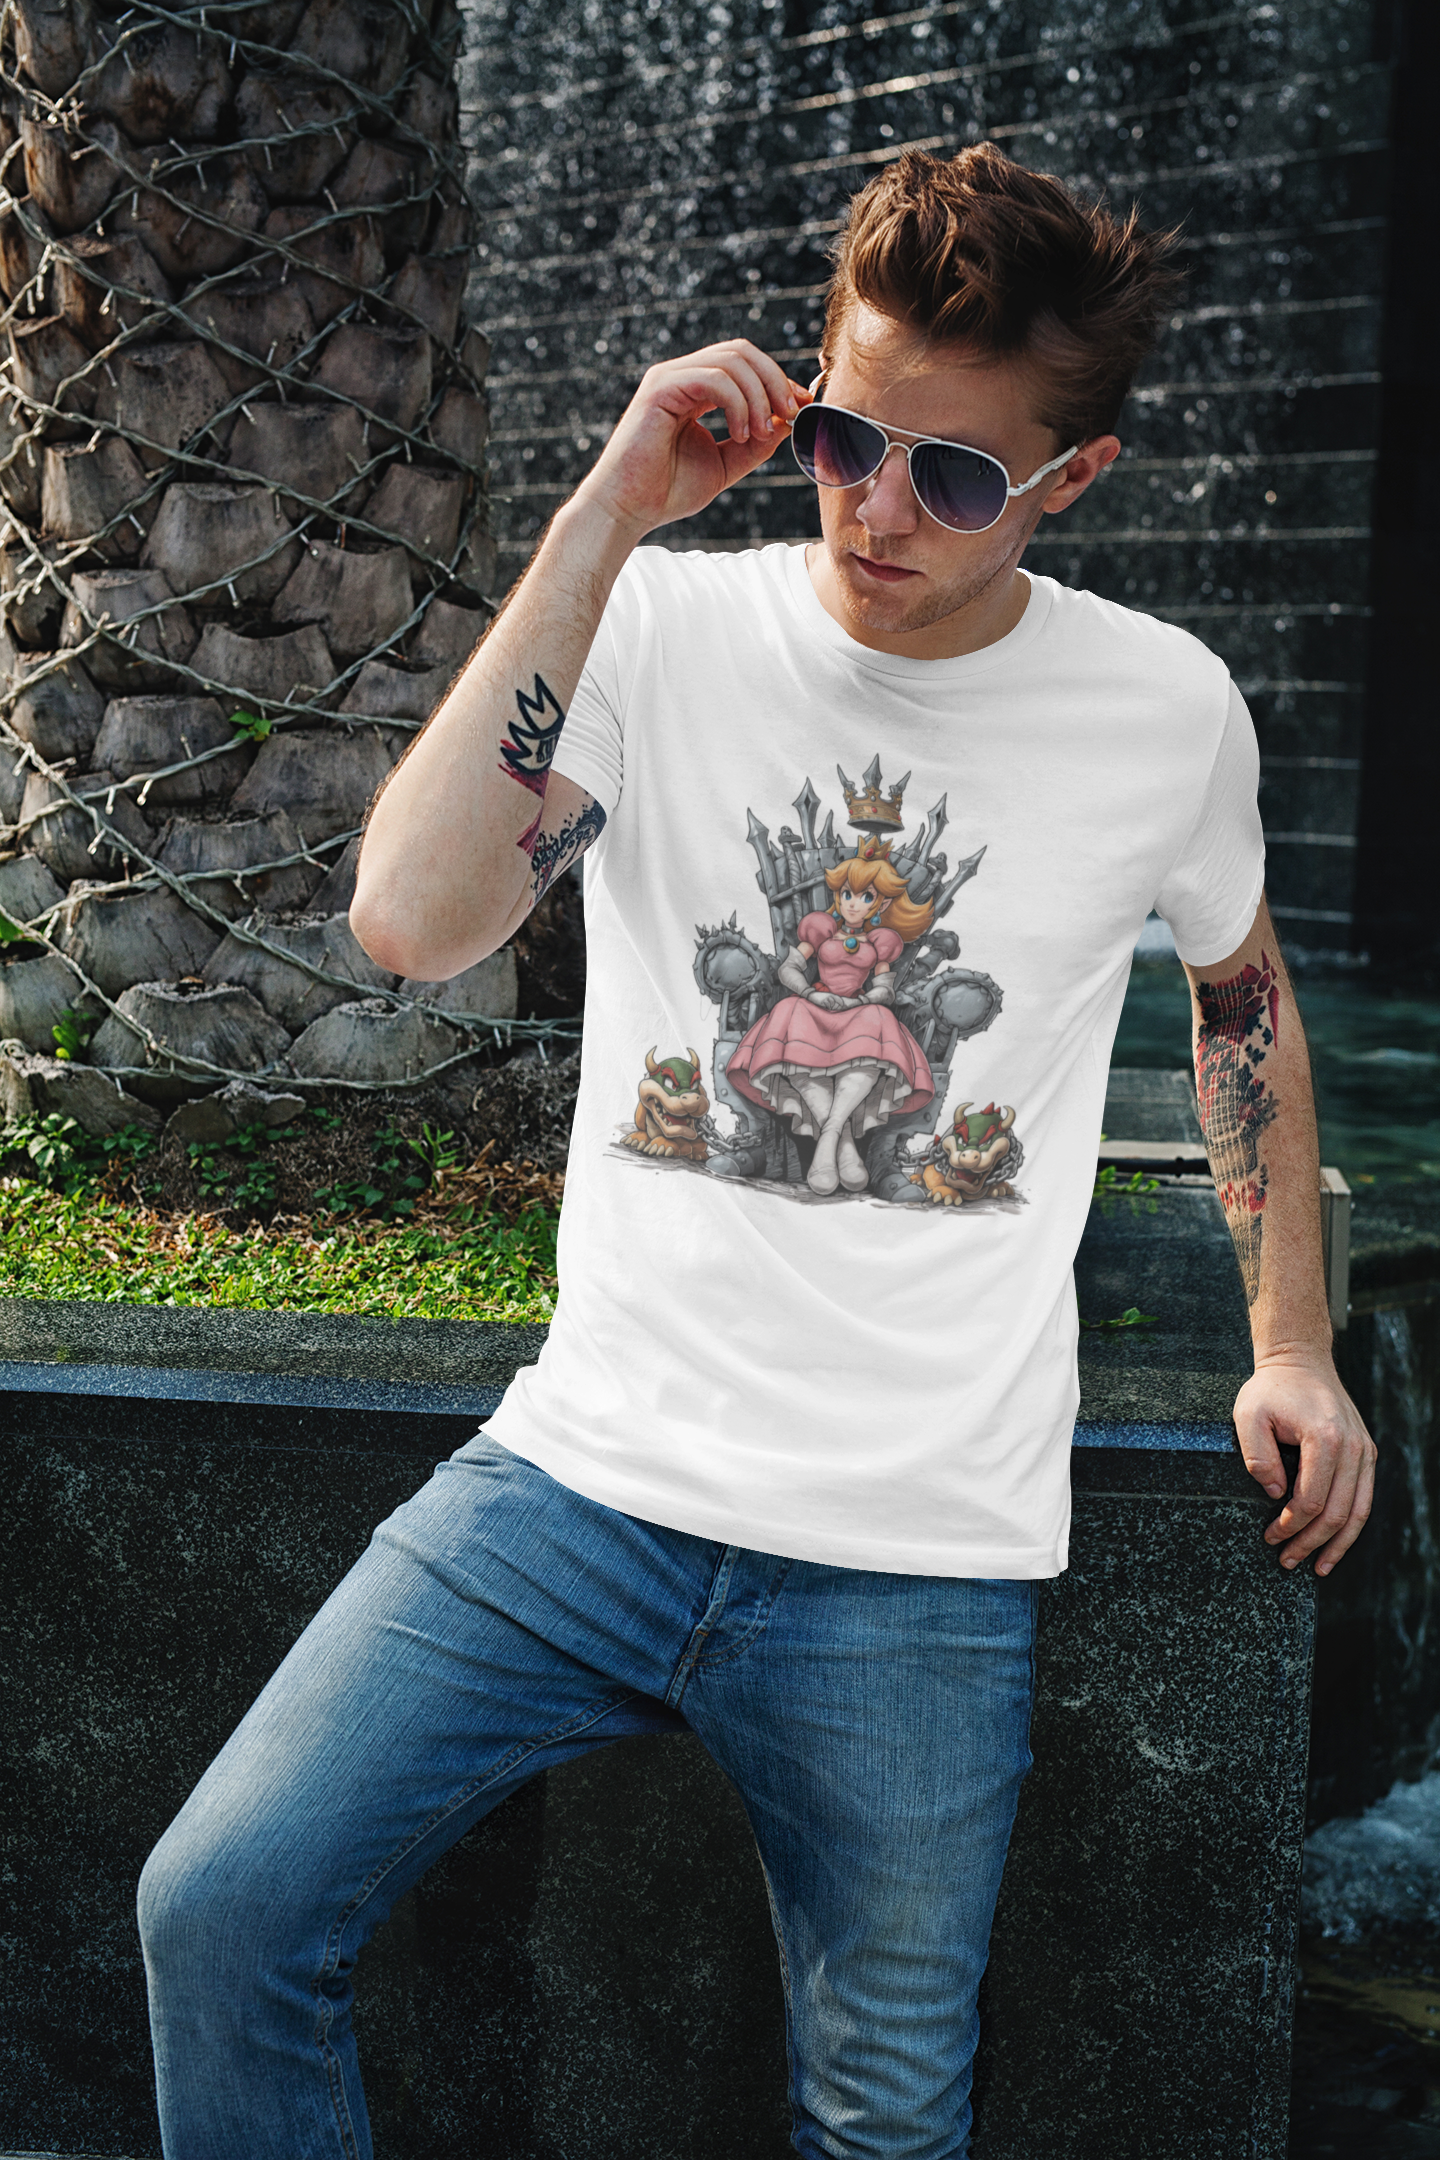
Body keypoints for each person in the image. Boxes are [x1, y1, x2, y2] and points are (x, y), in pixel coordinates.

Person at [137, 145, 1376, 2159]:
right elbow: (414, 921)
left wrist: (1292, 1342)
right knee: (222, 1904)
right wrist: (606, 512)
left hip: (918, 1554)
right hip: (576, 1484)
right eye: (845, 440)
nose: (877, 509)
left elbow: (1242, 1005)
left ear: (1073, 479)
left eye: (952, 476)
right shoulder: (659, 628)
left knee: (884, 2122)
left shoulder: (1168, 711)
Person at [726, 843, 936, 1193]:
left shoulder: (880, 941)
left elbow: (885, 989)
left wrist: (862, 1000)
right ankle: (844, 1147)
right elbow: (789, 969)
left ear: (882, 905)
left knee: (878, 1017)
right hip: (816, 1005)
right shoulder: (821, 929)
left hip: (858, 1011)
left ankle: (830, 1141)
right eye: (846, 894)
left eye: (865, 897)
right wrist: (812, 994)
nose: (853, 903)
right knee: (790, 1013)